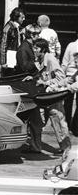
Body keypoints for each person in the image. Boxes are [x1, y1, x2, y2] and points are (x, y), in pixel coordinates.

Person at [33, 38, 71, 153]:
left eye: (37, 48)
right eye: (34, 47)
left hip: (53, 95)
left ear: (43, 49)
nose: (34, 50)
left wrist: (46, 83)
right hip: (44, 96)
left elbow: (61, 78)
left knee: (58, 120)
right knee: (37, 120)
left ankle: (66, 149)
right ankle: (35, 146)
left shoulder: (50, 59)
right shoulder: (40, 59)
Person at [15, 24, 43, 154]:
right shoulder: (23, 49)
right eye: (37, 34)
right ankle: (34, 145)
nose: (39, 37)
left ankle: (35, 145)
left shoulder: (29, 47)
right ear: (32, 35)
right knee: (33, 118)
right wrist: (36, 63)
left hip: (30, 87)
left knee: (34, 118)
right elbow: (24, 66)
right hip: (27, 88)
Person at [61, 29, 78, 136]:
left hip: (70, 75)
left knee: (67, 103)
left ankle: (66, 124)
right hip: (74, 76)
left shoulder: (71, 45)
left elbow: (64, 62)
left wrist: (62, 77)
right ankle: (76, 127)